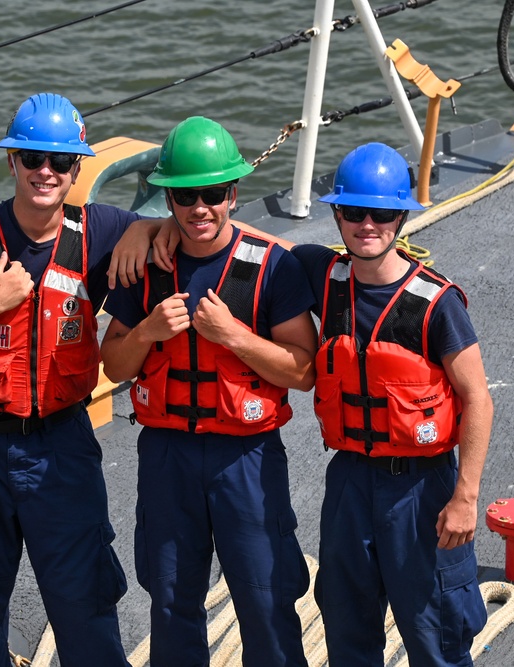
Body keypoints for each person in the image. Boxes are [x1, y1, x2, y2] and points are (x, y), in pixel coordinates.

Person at [0, 92, 166, 667]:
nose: (45, 172)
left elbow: (179, 227)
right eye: (32, 159)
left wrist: (144, 231)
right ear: (12, 163)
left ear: (78, 169)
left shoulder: (100, 231)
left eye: (59, 161)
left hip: (61, 445)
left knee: (84, 597)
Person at [100, 116, 317, 667]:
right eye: (186, 196)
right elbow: (115, 365)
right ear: (168, 199)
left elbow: (302, 369)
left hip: (246, 457)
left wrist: (234, 336)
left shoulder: (274, 266)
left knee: (265, 597)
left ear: (233, 194)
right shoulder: (144, 267)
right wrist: (148, 330)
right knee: (172, 599)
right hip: (167, 454)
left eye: (213, 194)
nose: (201, 208)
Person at [291, 142, 493, 667]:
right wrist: (150, 228)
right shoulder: (324, 276)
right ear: (336, 214)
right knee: (345, 622)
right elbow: (247, 244)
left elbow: (477, 399)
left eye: (381, 214)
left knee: (436, 631)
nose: (367, 225)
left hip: (422, 489)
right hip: (350, 482)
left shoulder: (437, 304)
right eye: (353, 212)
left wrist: (465, 497)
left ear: (401, 216)